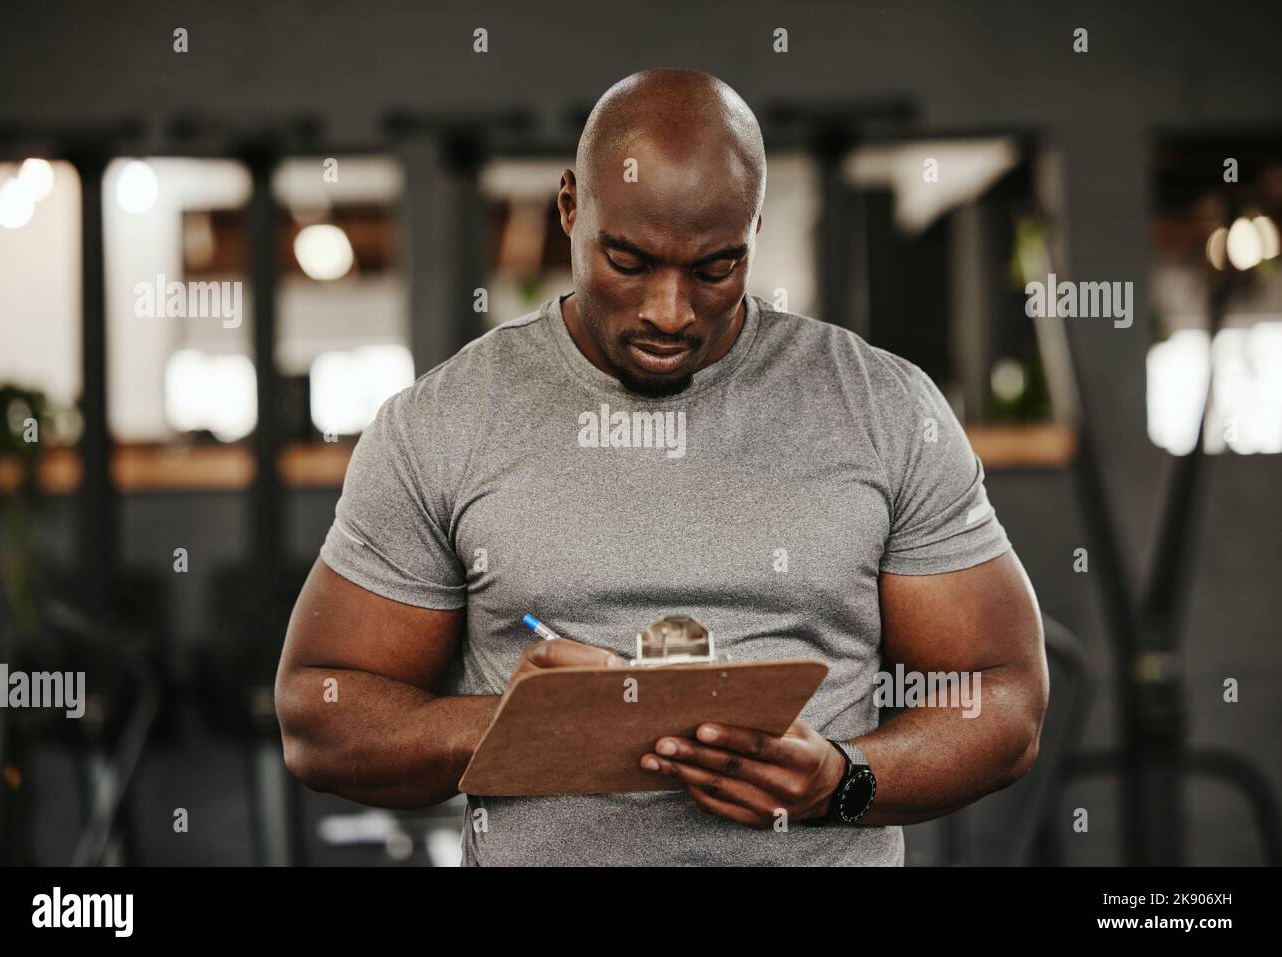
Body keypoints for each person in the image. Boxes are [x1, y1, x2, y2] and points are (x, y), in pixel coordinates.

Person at [275, 68, 1048, 866]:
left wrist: (842, 780)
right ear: (570, 208)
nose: (669, 312)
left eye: (715, 268)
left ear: (752, 232)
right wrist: (517, 721)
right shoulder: (442, 422)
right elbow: (318, 715)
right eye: (629, 260)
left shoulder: (881, 406)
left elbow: (1005, 694)